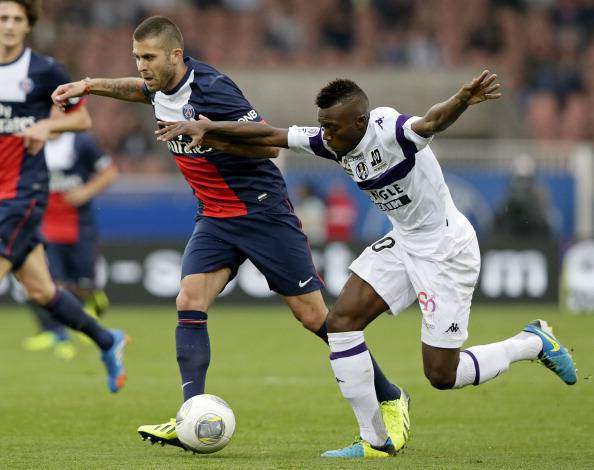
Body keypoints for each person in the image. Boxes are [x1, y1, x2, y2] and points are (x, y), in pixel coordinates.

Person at [154, 70, 578, 458]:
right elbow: (270, 134)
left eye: (333, 128)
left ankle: (532, 343)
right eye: (322, 126)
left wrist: (463, 100)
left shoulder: (392, 131)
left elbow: (431, 121)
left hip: (446, 251)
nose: (325, 136)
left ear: (360, 122)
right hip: (404, 242)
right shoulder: (331, 139)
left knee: (442, 375)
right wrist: (209, 129)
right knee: (340, 322)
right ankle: (374, 440)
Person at [51, 15, 410, 451]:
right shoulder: (159, 86)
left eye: (149, 57)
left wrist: (210, 136)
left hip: (261, 212)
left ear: (176, 56)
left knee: (316, 318)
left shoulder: (212, 89)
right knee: (189, 299)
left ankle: (391, 396)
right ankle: (190, 413)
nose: (142, 66)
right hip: (215, 217)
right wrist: (88, 85)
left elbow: (269, 144)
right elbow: (138, 90)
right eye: (137, 57)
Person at [0, 0, 128, 393]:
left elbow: (82, 118)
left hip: (23, 193)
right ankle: (107, 339)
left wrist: (46, 127)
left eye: (17, 19)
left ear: (28, 26)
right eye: (3, 18)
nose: (9, 25)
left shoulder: (45, 71)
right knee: (41, 290)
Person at [23, 128, 118, 359]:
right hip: (45, 227)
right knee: (52, 284)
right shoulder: (32, 140)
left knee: (82, 285)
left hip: (79, 227)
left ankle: (92, 301)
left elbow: (109, 172)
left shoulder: (81, 142)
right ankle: (58, 334)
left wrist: (86, 191)